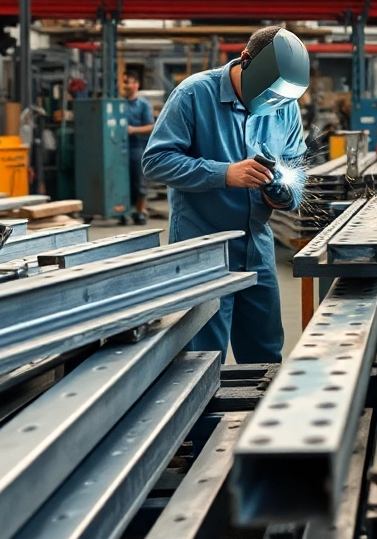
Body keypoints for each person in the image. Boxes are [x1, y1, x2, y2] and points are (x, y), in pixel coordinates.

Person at [143, 26, 309, 363]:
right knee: (202, 362)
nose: (274, 104)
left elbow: (296, 166)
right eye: (269, 94)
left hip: (257, 248)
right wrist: (224, 174)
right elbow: (155, 161)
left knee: (265, 355)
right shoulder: (192, 95)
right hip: (202, 249)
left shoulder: (286, 106)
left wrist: (285, 193)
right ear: (246, 61)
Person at [120, 70, 155, 226]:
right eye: (124, 82)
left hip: (137, 147)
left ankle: (139, 211)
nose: (125, 85)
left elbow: (151, 127)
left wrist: (133, 130)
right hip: (119, 147)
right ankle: (122, 211)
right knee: (122, 181)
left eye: (128, 82)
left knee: (138, 181)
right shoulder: (119, 104)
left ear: (136, 84)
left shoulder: (143, 105)